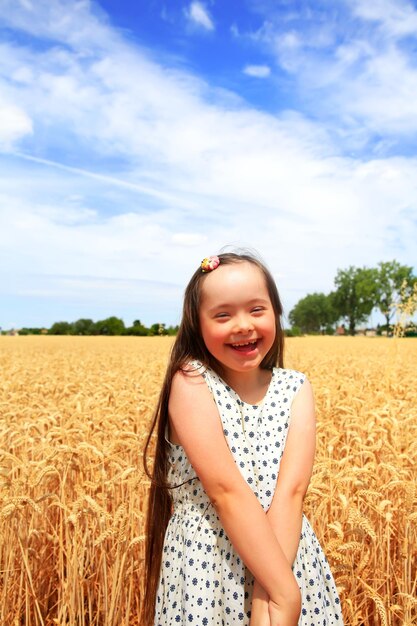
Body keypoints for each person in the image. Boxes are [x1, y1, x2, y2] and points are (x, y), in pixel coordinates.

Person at [142, 251, 343, 626]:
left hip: (287, 556)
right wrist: (283, 595)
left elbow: (291, 492)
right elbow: (225, 491)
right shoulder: (191, 382)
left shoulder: (295, 387)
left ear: (276, 312)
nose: (242, 325)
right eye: (222, 315)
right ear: (196, 324)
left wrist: (272, 591)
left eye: (256, 309)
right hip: (208, 567)